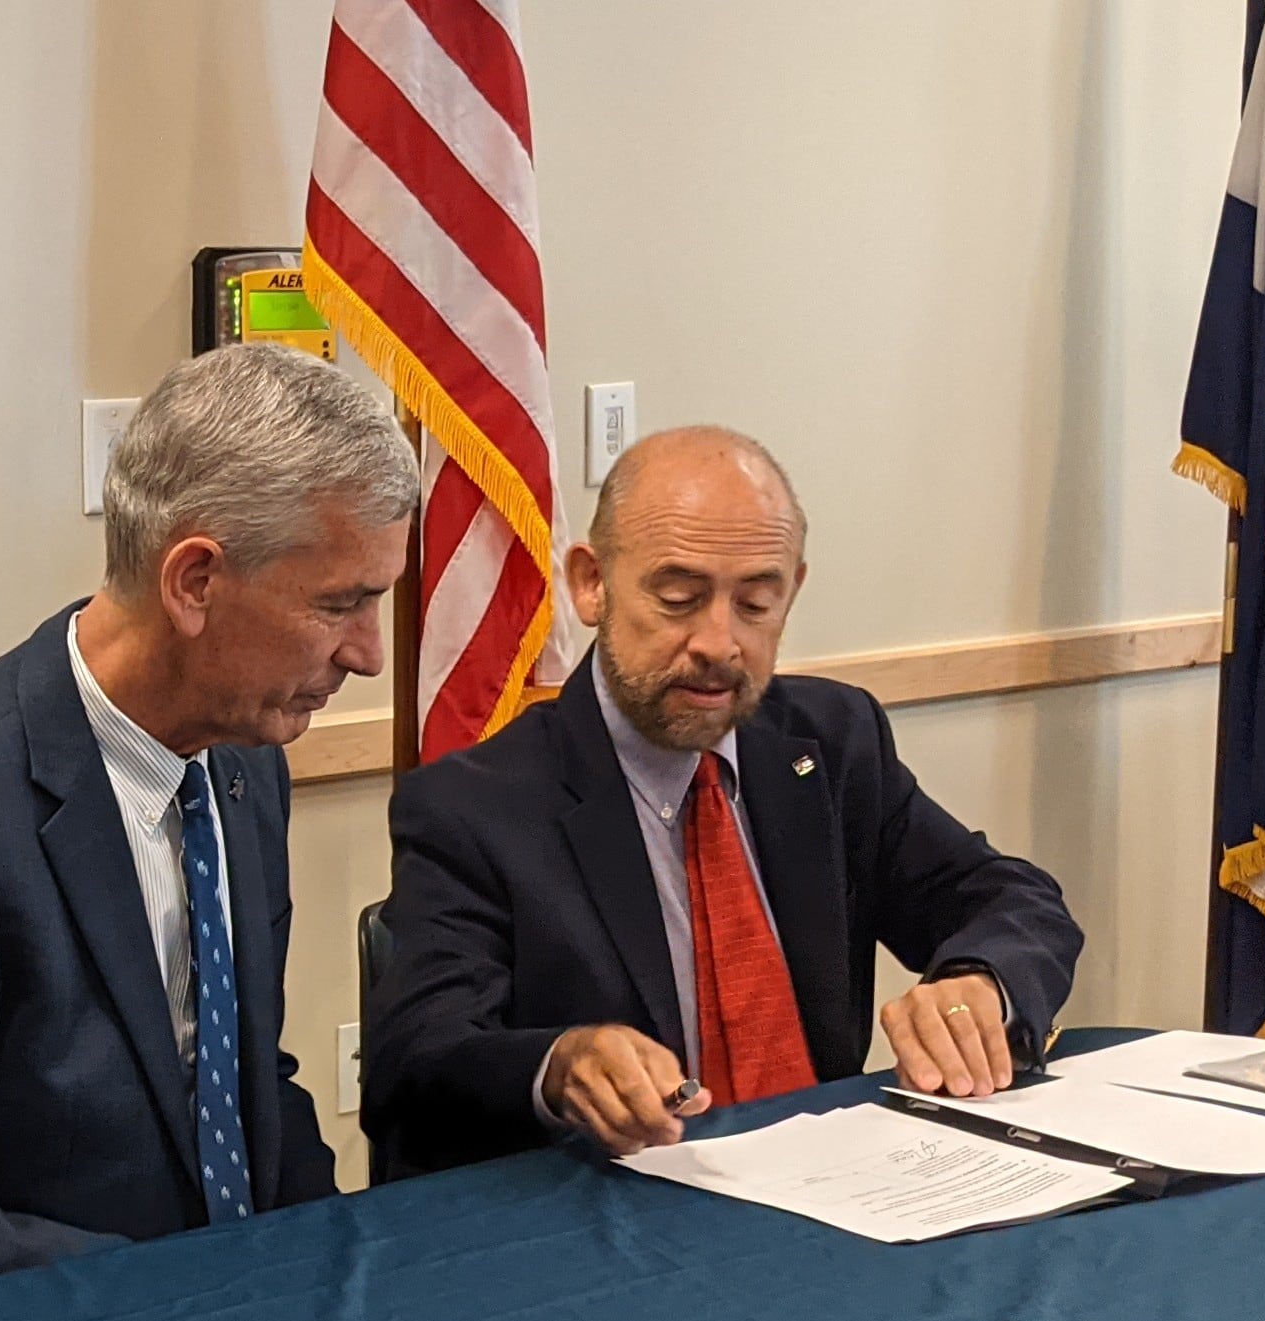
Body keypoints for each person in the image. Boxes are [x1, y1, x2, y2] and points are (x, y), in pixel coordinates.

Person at [0, 346, 407, 1290]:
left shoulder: (242, 763)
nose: (367, 654)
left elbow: (244, 1084)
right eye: (340, 604)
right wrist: (182, 1290)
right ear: (193, 581)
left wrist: (342, 1276)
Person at [365, 426, 1082, 1175]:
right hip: (617, 1225)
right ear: (590, 583)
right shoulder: (474, 805)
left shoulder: (832, 743)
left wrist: (980, 983)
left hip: (843, 1197)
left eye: (755, 603)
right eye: (678, 599)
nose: (718, 642)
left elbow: (1016, 900)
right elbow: (416, 1055)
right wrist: (556, 1063)